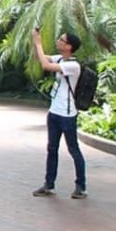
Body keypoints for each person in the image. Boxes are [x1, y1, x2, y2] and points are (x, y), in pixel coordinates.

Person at [31, 26, 87, 199]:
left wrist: (39, 43)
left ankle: (81, 186)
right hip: (54, 112)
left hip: (67, 114)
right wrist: (35, 41)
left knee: (73, 149)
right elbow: (40, 58)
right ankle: (49, 184)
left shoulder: (73, 65)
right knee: (52, 149)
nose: (58, 41)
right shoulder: (61, 59)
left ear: (69, 46)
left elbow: (46, 66)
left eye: (61, 40)